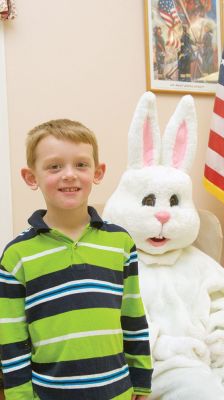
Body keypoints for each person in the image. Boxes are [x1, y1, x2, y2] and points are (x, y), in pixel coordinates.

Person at [0, 119, 153, 400]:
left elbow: (133, 317)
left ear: (98, 172)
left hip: (117, 391)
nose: (69, 175)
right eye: (54, 166)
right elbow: (11, 339)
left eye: (81, 164)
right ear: (31, 177)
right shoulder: (16, 256)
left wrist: (141, 381)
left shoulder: (120, 243)